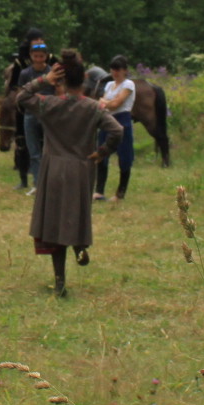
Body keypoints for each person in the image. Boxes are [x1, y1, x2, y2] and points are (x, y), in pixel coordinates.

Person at [18, 49, 122, 295]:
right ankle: (79, 246)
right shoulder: (94, 107)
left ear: (61, 80)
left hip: (53, 168)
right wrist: (103, 151)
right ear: (84, 81)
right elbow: (117, 130)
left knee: (54, 224)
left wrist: (43, 79)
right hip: (81, 168)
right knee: (78, 214)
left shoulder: (49, 104)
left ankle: (60, 282)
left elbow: (21, 97)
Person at [6, 36, 50, 192]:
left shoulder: (51, 72)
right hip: (30, 114)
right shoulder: (25, 73)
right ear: (31, 56)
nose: (38, 59)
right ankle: (37, 183)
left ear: (46, 57)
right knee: (33, 150)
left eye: (41, 56)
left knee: (48, 149)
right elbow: (21, 94)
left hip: (47, 115)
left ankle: (47, 182)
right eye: (35, 56)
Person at [94, 55, 137, 201]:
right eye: (113, 69)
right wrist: (107, 102)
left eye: (118, 69)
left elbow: (116, 103)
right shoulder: (109, 85)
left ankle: (120, 193)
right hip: (107, 120)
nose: (115, 72)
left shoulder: (128, 84)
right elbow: (104, 102)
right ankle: (99, 190)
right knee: (101, 153)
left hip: (122, 120)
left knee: (124, 157)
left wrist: (106, 102)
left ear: (125, 70)